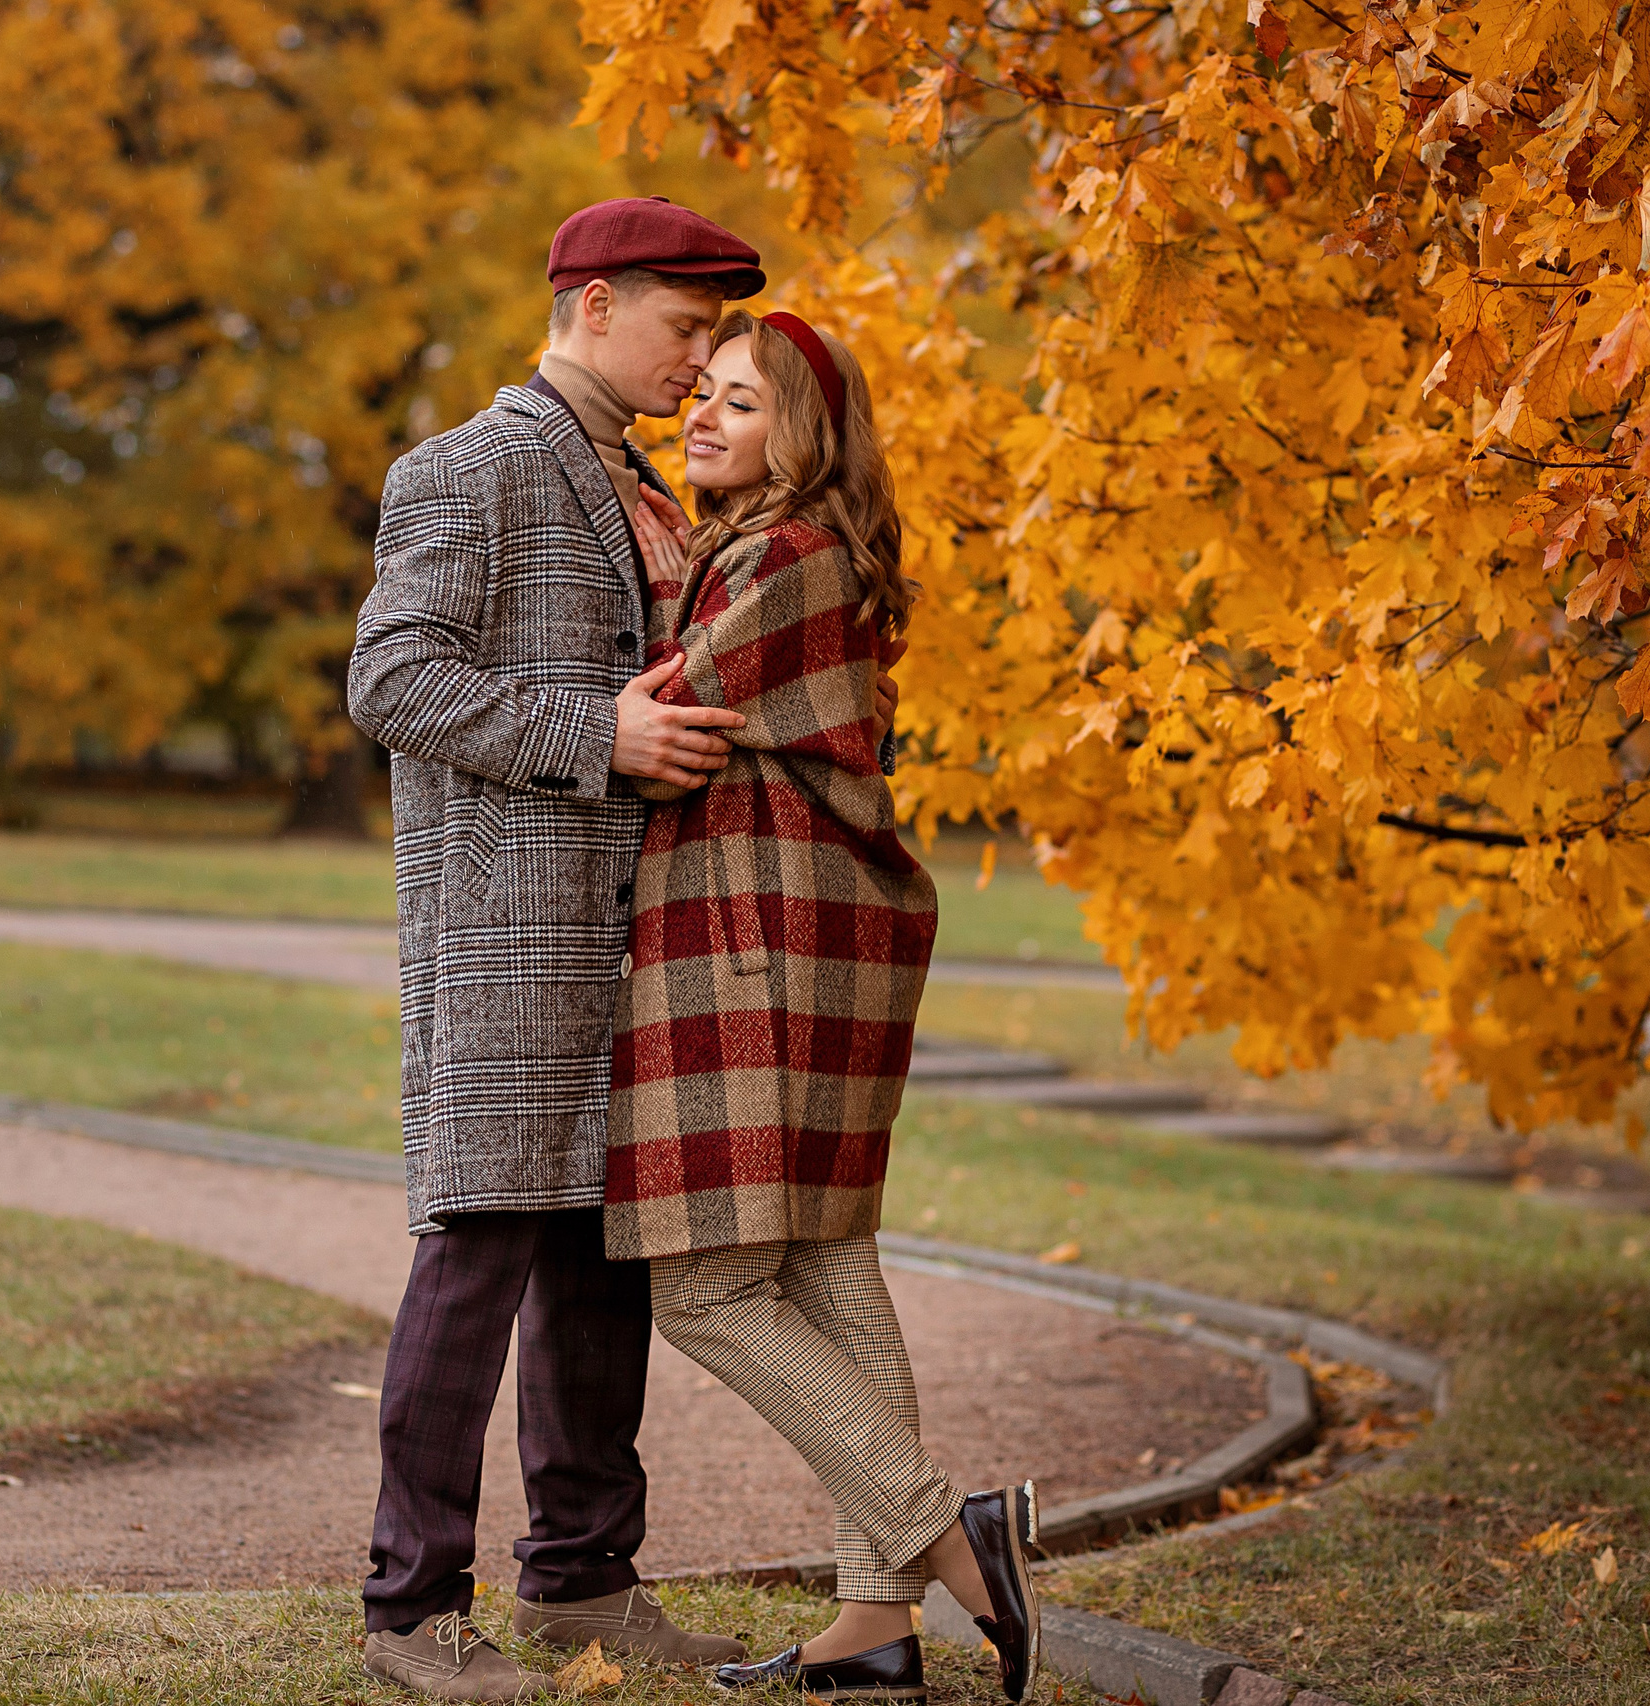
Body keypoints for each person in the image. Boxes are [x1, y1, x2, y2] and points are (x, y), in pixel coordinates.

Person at [343, 196, 775, 1704]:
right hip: (510, 933)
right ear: (592, 304)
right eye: (683, 326)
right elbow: (392, 676)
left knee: (605, 1269)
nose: (698, 359)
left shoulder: (642, 479)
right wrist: (599, 731)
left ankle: (584, 1581)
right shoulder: (466, 464)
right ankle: (410, 1611)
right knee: (477, 1257)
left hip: (631, 936)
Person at [605, 309, 1042, 1703]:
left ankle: (944, 1533)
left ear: (805, 438)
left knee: (712, 1287)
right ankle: (873, 1623)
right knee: (828, 1269)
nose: (706, 416)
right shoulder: (777, 551)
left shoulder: (786, 556)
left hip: (768, 948)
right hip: (810, 940)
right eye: (706, 394)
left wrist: (590, 709)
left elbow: (669, 712)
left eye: (743, 402)